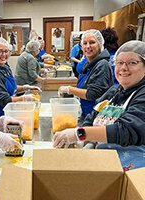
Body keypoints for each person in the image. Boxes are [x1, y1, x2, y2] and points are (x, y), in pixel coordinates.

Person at [54, 40, 145, 170]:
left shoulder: (142, 94)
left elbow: (126, 130)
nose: (124, 68)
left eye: (132, 63)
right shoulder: (114, 92)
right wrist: (89, 142)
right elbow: (92, 116)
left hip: (130, 172)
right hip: (104, 164)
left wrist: (79, 134)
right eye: (119, 62)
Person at [58, 29, 114, 120]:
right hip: (87, 113)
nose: (88, 46)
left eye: (92, 42)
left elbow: (92, 94)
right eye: (84, 43)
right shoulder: (89, 63)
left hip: (96, 116)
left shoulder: (102, 65)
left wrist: (69, 89)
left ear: (100, 44)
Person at [0, 37, 39, 117]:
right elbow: (3, 100)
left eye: (6, 51)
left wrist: (25, 88)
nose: (4, 54)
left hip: (8, 112)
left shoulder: (4, 67)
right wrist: (24, 98)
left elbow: (9, 88)